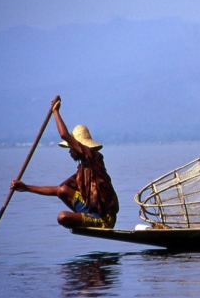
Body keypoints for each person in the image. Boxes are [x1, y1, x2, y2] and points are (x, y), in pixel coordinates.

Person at [11, 97, 119, 229]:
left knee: (62, 217)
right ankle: (85, 218)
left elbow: (64, 134)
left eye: (71, 148)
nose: (69, 151)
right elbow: (58, 190)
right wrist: (26, 188)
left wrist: (55, 111)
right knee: (63, 190)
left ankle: (93, 221)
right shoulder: (82, 170)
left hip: (104, 218)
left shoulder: (94, 158)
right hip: (91, 211)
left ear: (78, 147)